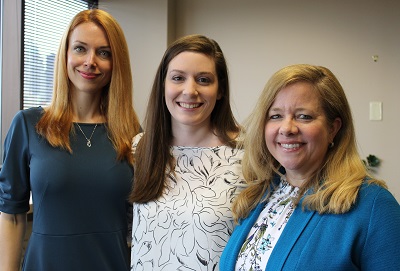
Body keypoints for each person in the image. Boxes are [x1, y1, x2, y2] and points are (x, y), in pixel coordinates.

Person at [220, 64, 400, 270]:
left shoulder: (373, 205)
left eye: (304, 116)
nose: (287, 128)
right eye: (276, 116)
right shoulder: (258, 196)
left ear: (333, 129)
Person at [0, 9, 140, 271]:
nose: (90, 61)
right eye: (80, 49)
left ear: (116, 62)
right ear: (65, 55)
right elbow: (12, 216)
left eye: (104, 52)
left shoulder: (132, 133)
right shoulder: (29, 125)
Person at [129, 34, 246, 270]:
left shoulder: (247, 154)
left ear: (220, 89)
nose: (189, 91)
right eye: (178, 78)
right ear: (163, 85)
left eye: (203, 79)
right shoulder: (140, 148)